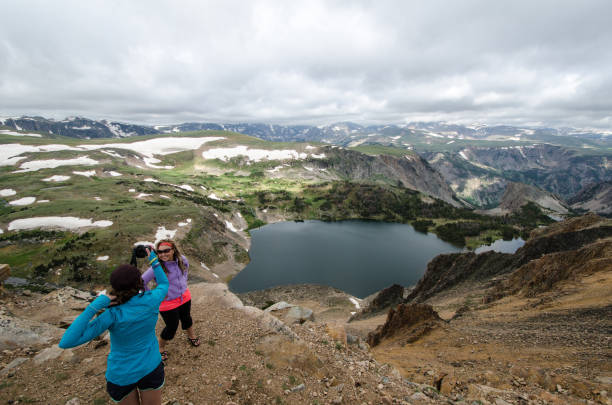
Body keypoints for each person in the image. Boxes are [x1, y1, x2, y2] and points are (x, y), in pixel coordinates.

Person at [59, 248, 168, 405]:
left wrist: (93, 307)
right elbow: (164, 283)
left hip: (122, 374)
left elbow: (66, 342)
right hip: (151, 366)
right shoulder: (151, 300)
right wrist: (153, 260)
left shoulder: (111, 314)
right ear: (140, 282)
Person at [141, 239, 199, 362]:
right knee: (172, 326)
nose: (163, 254)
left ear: (173, 250)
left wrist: (183, 283)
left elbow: (186, 269)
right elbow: (141, 282)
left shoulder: (182, 260)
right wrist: (152, 296)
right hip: (167, 303)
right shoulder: (156, 267)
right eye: (159, 252)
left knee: (187, 318)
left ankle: (191, 335)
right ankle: (160, 348)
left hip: (184, 296)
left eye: (166, 251)